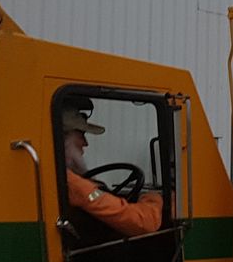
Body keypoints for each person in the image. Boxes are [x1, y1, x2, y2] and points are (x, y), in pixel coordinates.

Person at [61, 99, 164, 236]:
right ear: (62, 138)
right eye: (81, 135)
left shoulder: (64, 179)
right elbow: (143, 223)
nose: (85, 143)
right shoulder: (72, 183)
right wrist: (154, 199)